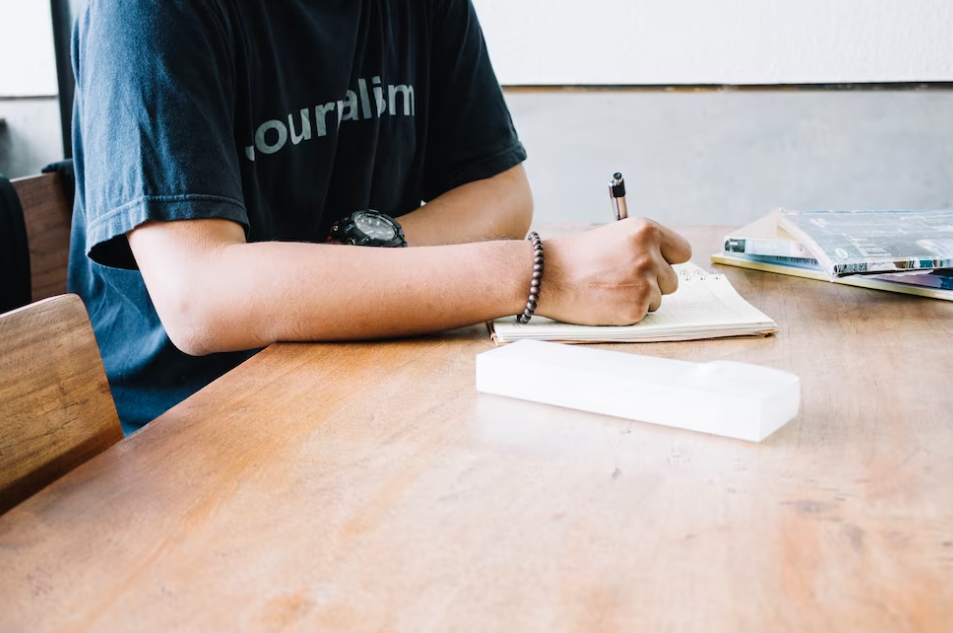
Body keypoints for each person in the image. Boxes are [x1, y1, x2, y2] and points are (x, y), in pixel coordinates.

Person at [69, 0, 692, 435]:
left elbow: (501, 190)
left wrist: (375, 247)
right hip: (192, 430)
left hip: (368, 377)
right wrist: (541, 272)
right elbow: (201, 298)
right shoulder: (146, 12)